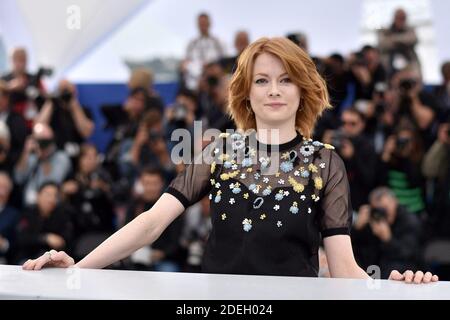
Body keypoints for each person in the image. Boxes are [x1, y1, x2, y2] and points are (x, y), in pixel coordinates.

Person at [23, 37, 437, 284]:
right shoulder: (220, 151)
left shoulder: (326, 163)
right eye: (262, 80)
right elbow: (150, 223)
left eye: (286, 79)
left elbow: (344, 269)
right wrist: (78, 268)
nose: (274, 90)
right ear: (247, 93)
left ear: (303, 90)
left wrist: (394, 288)